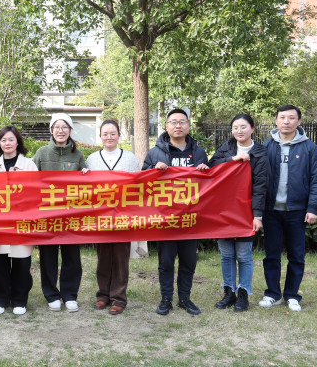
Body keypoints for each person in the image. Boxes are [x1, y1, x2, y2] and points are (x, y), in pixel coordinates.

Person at [259, 105, 317, 312]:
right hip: (271, 211)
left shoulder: (309, 148)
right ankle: (272, 294)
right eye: (282, 117)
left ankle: (292, 295)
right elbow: (256, 177)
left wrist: (313, 208)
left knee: (296, 256)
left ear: (298, 122)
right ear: (276, 121)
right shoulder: (267, 146)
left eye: (291, 118)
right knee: (271, 255)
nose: (286, 121)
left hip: (297, 211)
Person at [143, 108, 208, 316]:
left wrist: (205, 171)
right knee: (166, 261)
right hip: (165, 218)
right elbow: (142, 181)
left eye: (182, 121)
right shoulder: (155, 153)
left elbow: (209, 184)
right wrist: (153, 170)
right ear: (166, 126)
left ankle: (185, 299)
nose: (178, 125)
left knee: (189, 261)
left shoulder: (198, 152)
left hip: (190, 217)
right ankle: (166, 299)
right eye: (173, 122)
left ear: (188, 125)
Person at [208, 114, 270, 312]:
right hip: (224, 210)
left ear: (252, 129)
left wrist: (257, 215)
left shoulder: (260, 153)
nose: (239, 131)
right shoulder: (226, 149)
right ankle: (229, 292)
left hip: (246, 212)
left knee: (243, 255)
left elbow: (260, 186)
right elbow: (211, 168)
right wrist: (233, 159)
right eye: (235, 127)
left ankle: (243, 293)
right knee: (226, 255)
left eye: (243, 127)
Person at [32, 113, 88, 312]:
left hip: (71, 216)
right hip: (47, 215)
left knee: (72, 257)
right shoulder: (42, 153)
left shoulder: (77, 155)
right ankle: (51, 295)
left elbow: (88, 183)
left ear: (70, 130)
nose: (61, 131)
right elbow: (29, 179)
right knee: (48, 256)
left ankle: (70, 295)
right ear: (51, 130)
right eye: (57, 127)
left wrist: (86, 174)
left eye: (65, 127)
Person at [85, 119, 141, 315]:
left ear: (119, 135)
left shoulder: (130, 158)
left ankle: (118, 297)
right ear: (100, 136)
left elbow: (138, 185)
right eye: (105, 134)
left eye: (112, 133)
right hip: (100, 215)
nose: (109, 137)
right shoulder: (92, 159)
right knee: (103, 256)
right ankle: (103, 295)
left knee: (120, 257)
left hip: (123, 215)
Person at [0, 126, 37, 316]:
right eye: (3, 140)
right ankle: (0, 298)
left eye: (11, 139)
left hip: (22, 221)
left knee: (22, 263)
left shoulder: (29, 165)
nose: (7, 143)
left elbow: (36, 193)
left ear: (18, 142)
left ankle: (19, 300)